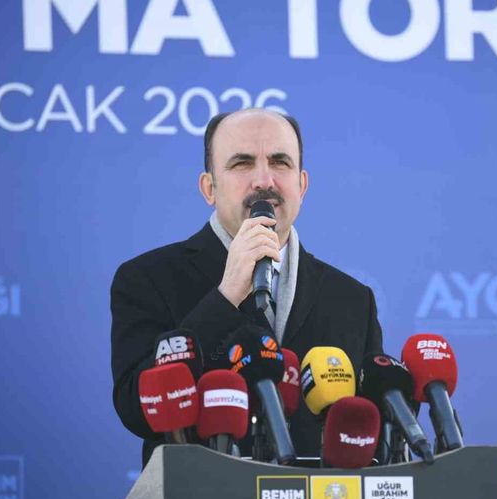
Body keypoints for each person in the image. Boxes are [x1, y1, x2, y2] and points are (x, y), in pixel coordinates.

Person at [110, 109, 383, 467]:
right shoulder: (148, 278)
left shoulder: (351, 299)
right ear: (209, 188)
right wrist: (225, 298)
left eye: (280, 162)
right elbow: (136, 409)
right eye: (242, 163)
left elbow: (372, 435)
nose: (264, 180)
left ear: (302, 185)